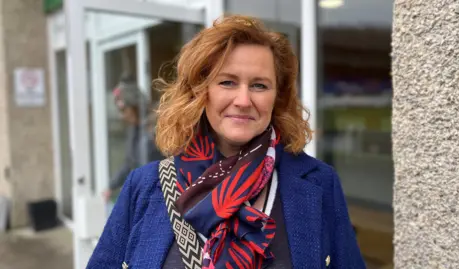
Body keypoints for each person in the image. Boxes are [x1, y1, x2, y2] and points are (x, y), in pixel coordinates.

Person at [88, 15, 365, 269]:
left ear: (276, 97)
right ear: (200, 91)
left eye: (259, 85)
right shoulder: (144, 186)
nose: (243, 101)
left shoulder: (319, 183)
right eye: (227, 82)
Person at [102, 74, 164, 206]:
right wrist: (111, 186)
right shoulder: (133, 129)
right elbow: (129, 161)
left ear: (135, 106)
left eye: (123, 110)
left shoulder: (157, 126)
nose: (121, 116)